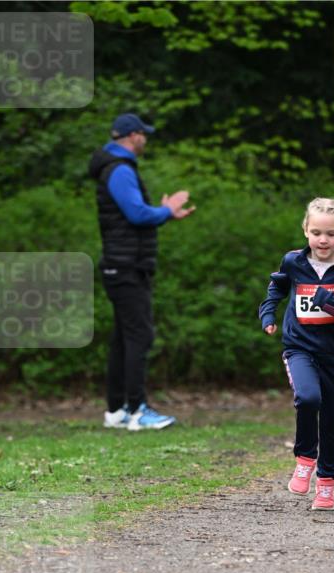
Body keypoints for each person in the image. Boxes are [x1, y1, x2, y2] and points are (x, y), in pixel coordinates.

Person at [259, 197, 334, 510]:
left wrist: (328, 301)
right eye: (317, 232)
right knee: (308, 398)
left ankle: (326, 484)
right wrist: (268, 313)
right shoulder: (293, 262)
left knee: (333, 421)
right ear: (306, 230)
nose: (324, 240)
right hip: (299, 347)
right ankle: (306, 457)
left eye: (331, 234)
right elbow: (277, 288)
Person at [89, 113, 194, 431]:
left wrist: (163, 215)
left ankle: (116, 409)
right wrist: (165, 211)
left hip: (120, 264)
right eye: (143, 134)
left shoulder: (115, 167)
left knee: (123, 337)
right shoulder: (119, 170)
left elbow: (135, 213)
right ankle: (137, 410)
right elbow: (136, 214)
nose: (145, 140)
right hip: (126, 266)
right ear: (132, 136)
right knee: (140, 335)